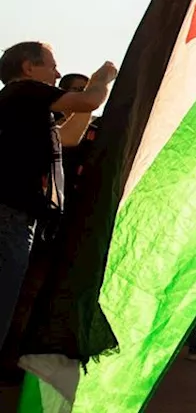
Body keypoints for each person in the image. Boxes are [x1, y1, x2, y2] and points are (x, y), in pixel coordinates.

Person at [0, 43, 115, 345]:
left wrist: (92, 92)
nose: (57, 73)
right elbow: (89, 101)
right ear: (27, 67)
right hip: (8, 216)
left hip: (18, 217)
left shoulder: (23, 106)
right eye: (52, 66)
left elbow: (69, 137)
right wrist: (101, 79)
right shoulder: (23, 90)